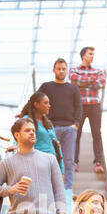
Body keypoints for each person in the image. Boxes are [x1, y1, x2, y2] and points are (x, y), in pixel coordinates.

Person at [38, 58, 82, 191]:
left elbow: (79, 107)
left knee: (68, 161)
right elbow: (35, 101)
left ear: (67, 71)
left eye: (63, 69)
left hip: (70, 129)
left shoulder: (73, 88)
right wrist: (24, 114)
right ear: (53, 70)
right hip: (51, 128)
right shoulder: (46, 86)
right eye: (59, 69)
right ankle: (50, 189)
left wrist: (76, 125)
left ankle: (67, 190)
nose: (61, 71)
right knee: (50, 160)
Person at [6, 92, 65, 176]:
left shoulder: (47, 122)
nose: (49, 105)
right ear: (36, 104)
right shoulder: (27, 120)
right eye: (46, 103)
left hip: (53, 165)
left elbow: (57, 145)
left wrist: (61, 169)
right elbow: (20, 133)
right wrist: (16, 145)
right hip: (37, 165)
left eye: (49, 102)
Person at [69, 47, 106, 174]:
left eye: (93, 54)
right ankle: (74, 162)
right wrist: (92, 81)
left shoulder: (98, 71)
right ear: (83, 55)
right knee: (76, 134)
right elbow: (75, 80)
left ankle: (98, 163)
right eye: (90, 54)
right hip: (79, 105)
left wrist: (83, 83)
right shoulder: (74, 70)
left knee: (97, 134)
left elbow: (101, 83)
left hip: (95, 105)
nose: (92, 56)